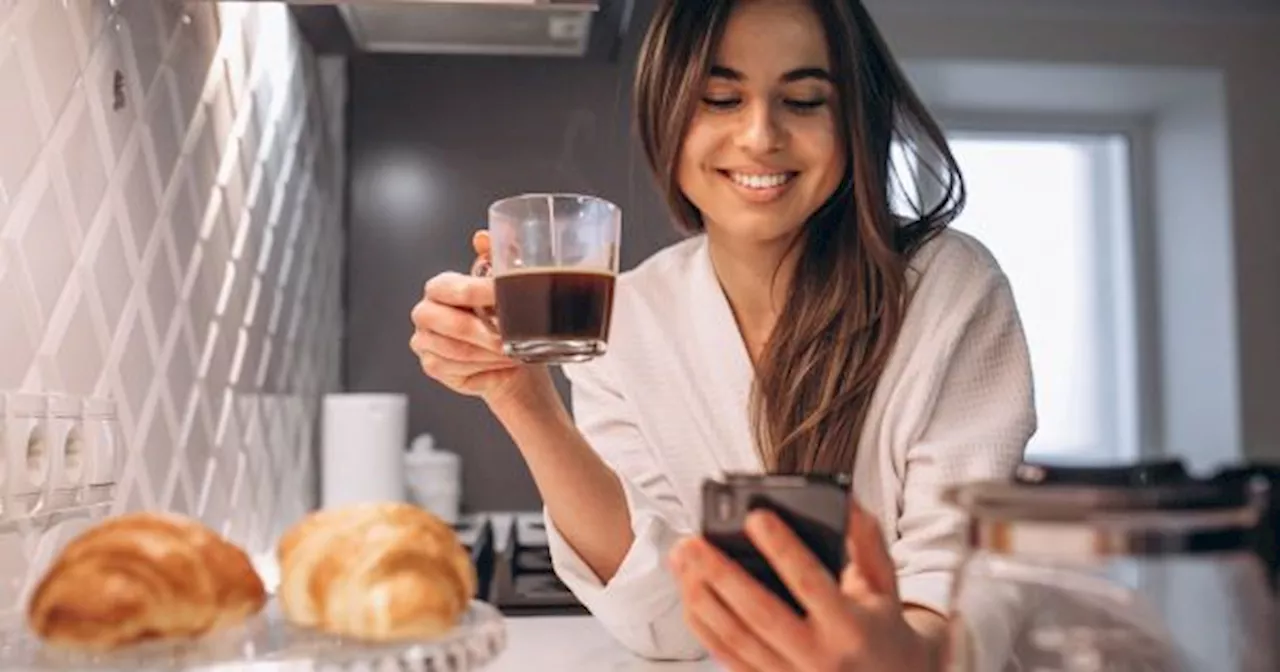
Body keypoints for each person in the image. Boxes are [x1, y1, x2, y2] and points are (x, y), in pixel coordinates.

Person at [408, 0, 1036, 668]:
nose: (760, 136)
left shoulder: (947, 287)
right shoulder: (630, 313)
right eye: (720, 98)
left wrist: (903, 657)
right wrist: (522, 401)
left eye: (802, 100)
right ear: (666, 114)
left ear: (853, 119)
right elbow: (665, 620)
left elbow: (960, 582)